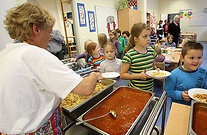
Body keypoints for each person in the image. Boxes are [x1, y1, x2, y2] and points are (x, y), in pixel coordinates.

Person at [0, 2, 102, 134]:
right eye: (49, 32)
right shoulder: (35, 55)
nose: (49, 39)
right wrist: (95, 75)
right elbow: (86, 88)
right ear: (36, 29)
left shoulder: (5, 54)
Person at [164, 42, 207, 106]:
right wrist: (180, 95)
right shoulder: (174, 74)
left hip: (200, 107)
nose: (196, 61)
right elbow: (168, 91)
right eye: (191, 58)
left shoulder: (205, 73)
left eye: (199, 57)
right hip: (180, 107)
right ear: (182, 58)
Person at [121, 23, 157, 91]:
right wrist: (139, 76)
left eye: (149, 35)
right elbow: (123, 75)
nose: (149, 39)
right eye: (145, 36)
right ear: (136, 39)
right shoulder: (129, 55)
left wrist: (157, 70)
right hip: (136, 91)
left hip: (150, 90)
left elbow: (153, 66)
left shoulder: (151, 51)